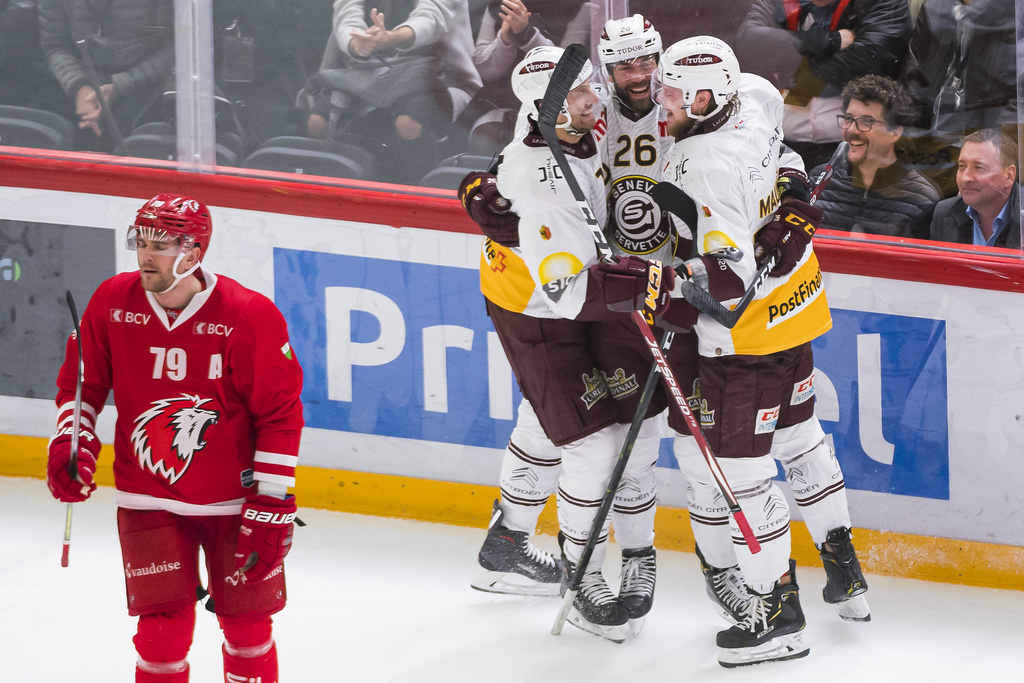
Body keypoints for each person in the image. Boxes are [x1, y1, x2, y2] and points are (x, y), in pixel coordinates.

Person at [653, 35, 869, 667]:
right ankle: (844, 570)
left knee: (744, 476)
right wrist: (796, 208)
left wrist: (658, 290)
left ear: (706, 94)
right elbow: (792, 161)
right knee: (802, 442)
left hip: (744, 344)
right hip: (797, 311)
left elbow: (726, 285)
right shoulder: (754, 94)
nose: (664, 101)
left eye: (673, 91)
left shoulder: (698, 167)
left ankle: (777, 613)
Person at [467, 16, 684, 639]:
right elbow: (565, 290)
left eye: (593, 86)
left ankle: (510, 541)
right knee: (589, 441)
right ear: (551, 109)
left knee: (582, 419)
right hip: (540, 306)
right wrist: (650, 287)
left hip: (588, 290)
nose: (603, 98)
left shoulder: (576, 123)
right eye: (587, 92)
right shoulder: (544, 169)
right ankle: (581, 571)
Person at [46, 194, 303, 682]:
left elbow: (280, 412)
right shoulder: (111, 302)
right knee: (161, 638)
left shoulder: (247, 314)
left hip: (233, 502)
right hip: (149, 497)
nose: (146, 255)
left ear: (194, 252)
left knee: (247, 629)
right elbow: (82, 385)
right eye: (141, 242)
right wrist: (70, 443)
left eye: (160, 245)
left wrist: (271, 501)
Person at [307, 0, 481, 185]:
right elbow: (346, 16)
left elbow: (431, 17)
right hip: (370, 77)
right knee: (317, 121)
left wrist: (392, 38)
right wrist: (360, 45)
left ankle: (421, 196)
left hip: (440, 79)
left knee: (408, 121)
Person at [737, 0, 911, 171]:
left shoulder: (883, 3)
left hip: (853, 142)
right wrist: (831, 41)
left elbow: (869, 57)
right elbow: (749, 40)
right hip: (776, 139)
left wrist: (796, 76)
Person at [811, 74, 942, 238]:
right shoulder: (820, 179)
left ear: (895, 133)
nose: (852, 130)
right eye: (848, 119)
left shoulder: (921, 199)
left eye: (866, 122)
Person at [37, 0, 175, 152]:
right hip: (80, 78)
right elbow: (55, 44)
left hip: (145, 81)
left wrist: (120, 85)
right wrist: (79, 86)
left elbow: (177, 47)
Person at [930, 128, 1020, 248]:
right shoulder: (944, 212)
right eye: (962, 166)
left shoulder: (1021, 215)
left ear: (1009, 175)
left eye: (979, 168)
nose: (966, 177)